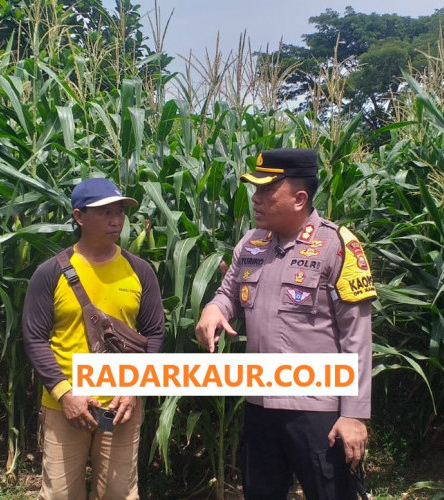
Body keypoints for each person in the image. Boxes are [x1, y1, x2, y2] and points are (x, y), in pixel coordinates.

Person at [195, 148, 376, 499]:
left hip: (318, 411)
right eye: (255, 189)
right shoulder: (251, 243)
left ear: (299, 198)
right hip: (260, 406)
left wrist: (354, 414)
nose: (255, 198)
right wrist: (213, 309)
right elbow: (228, 292)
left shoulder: (336, 245)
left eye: (266, 190)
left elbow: (357, 337)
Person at [23, 177, 164, 499]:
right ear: (79, 217)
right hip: (66, 403)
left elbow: (155, 332)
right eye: (105, 213)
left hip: (121, 405)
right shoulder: (51, 272)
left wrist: (135, 388)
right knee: (59, 493)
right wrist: (65, 394)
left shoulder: (139, 270)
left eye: (119, 212)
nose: (116, 220)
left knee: (119, 492)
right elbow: (34, 337)